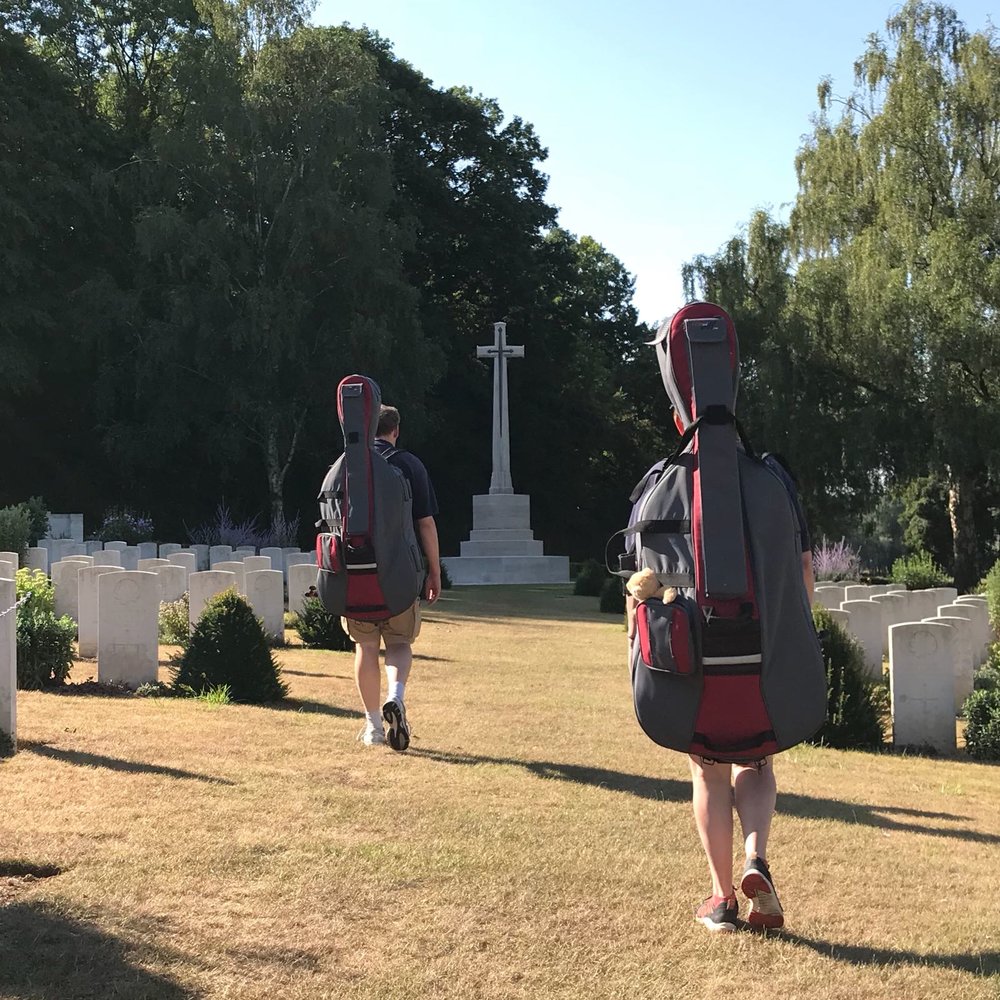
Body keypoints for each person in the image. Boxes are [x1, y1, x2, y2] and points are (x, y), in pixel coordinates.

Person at [625, 428, 814, 934]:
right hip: (758, 658)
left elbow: (637, 589)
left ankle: (723, 898)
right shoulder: (771, 479)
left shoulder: (660, 483)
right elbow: (802, 575)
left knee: (708, 770)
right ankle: (756, 857)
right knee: (756, 762)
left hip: (691, 662)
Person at [344, 404, 441, 752]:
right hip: (400, 576)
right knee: (399, 643)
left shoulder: (345, 465)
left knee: (365, 646)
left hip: (356, 576)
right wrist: (433, 570)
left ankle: (372, 726)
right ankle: (396, 697)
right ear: (395, 430)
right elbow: (425, 523)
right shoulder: (408, 464)